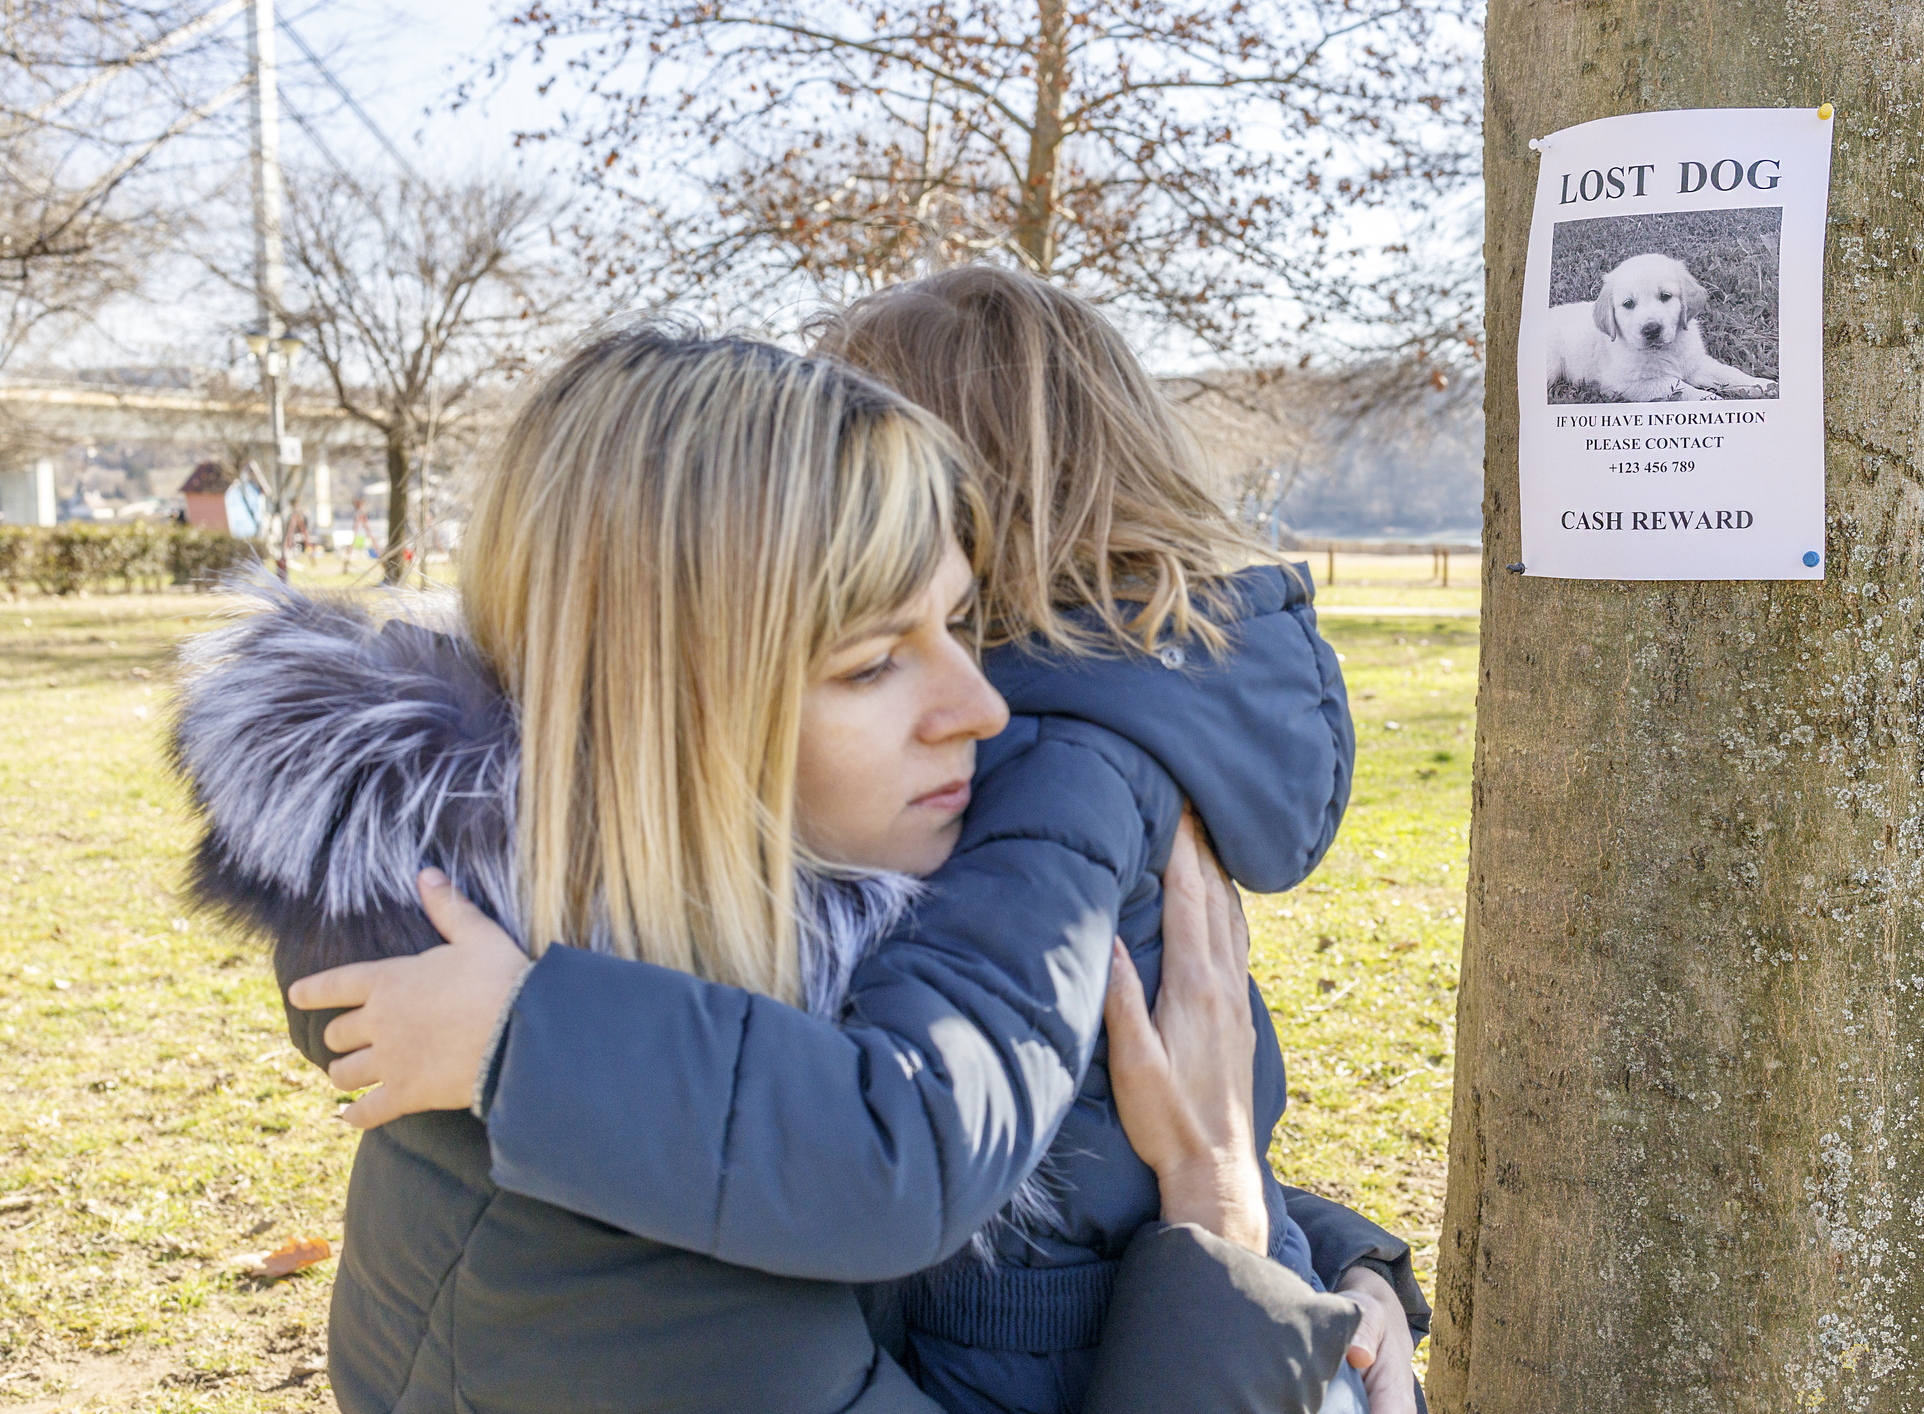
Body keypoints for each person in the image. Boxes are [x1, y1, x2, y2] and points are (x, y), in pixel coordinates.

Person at [173, 325, 1364, 1414]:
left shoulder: (732, 1016)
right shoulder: (622, 1246)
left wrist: (1345, 1282)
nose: (986, 706)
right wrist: (1226, 1241)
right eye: (869, 665)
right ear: (672, 720)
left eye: (965, 625)